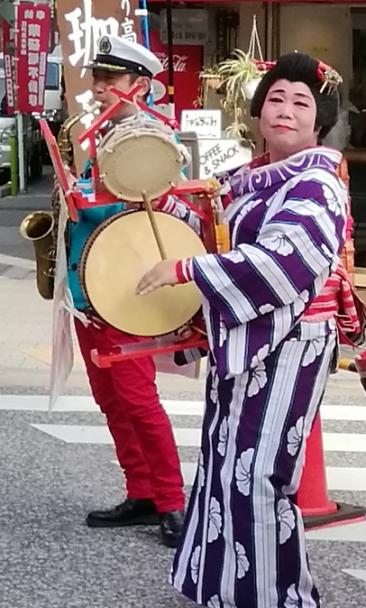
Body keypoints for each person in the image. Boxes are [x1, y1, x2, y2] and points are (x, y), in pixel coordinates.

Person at [137, 53, 348, 608]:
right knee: (226, 460)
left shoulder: (318, 183)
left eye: (300, 102)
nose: (285, 110)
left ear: (318, 121)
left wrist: (189, 268)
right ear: (259, 113)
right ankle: (234, 586)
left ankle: (292, 600)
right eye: (276, 98)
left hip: (293, 339)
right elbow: (210, 231)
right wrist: (154, 200)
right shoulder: (247, 179)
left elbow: (286, 260)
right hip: (248, 335)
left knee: (263, 469)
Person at [64, 35, 186, 548]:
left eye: (109, 79)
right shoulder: (109, 131)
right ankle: (141, 490)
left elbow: (147, 211)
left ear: (139, 85)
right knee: (111, 397)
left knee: (137, 398)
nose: (97, 87)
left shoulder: (149, 137)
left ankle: (173, 500)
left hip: (127, 285)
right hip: (94, 282)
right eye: (97, 77)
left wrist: (82, 196)